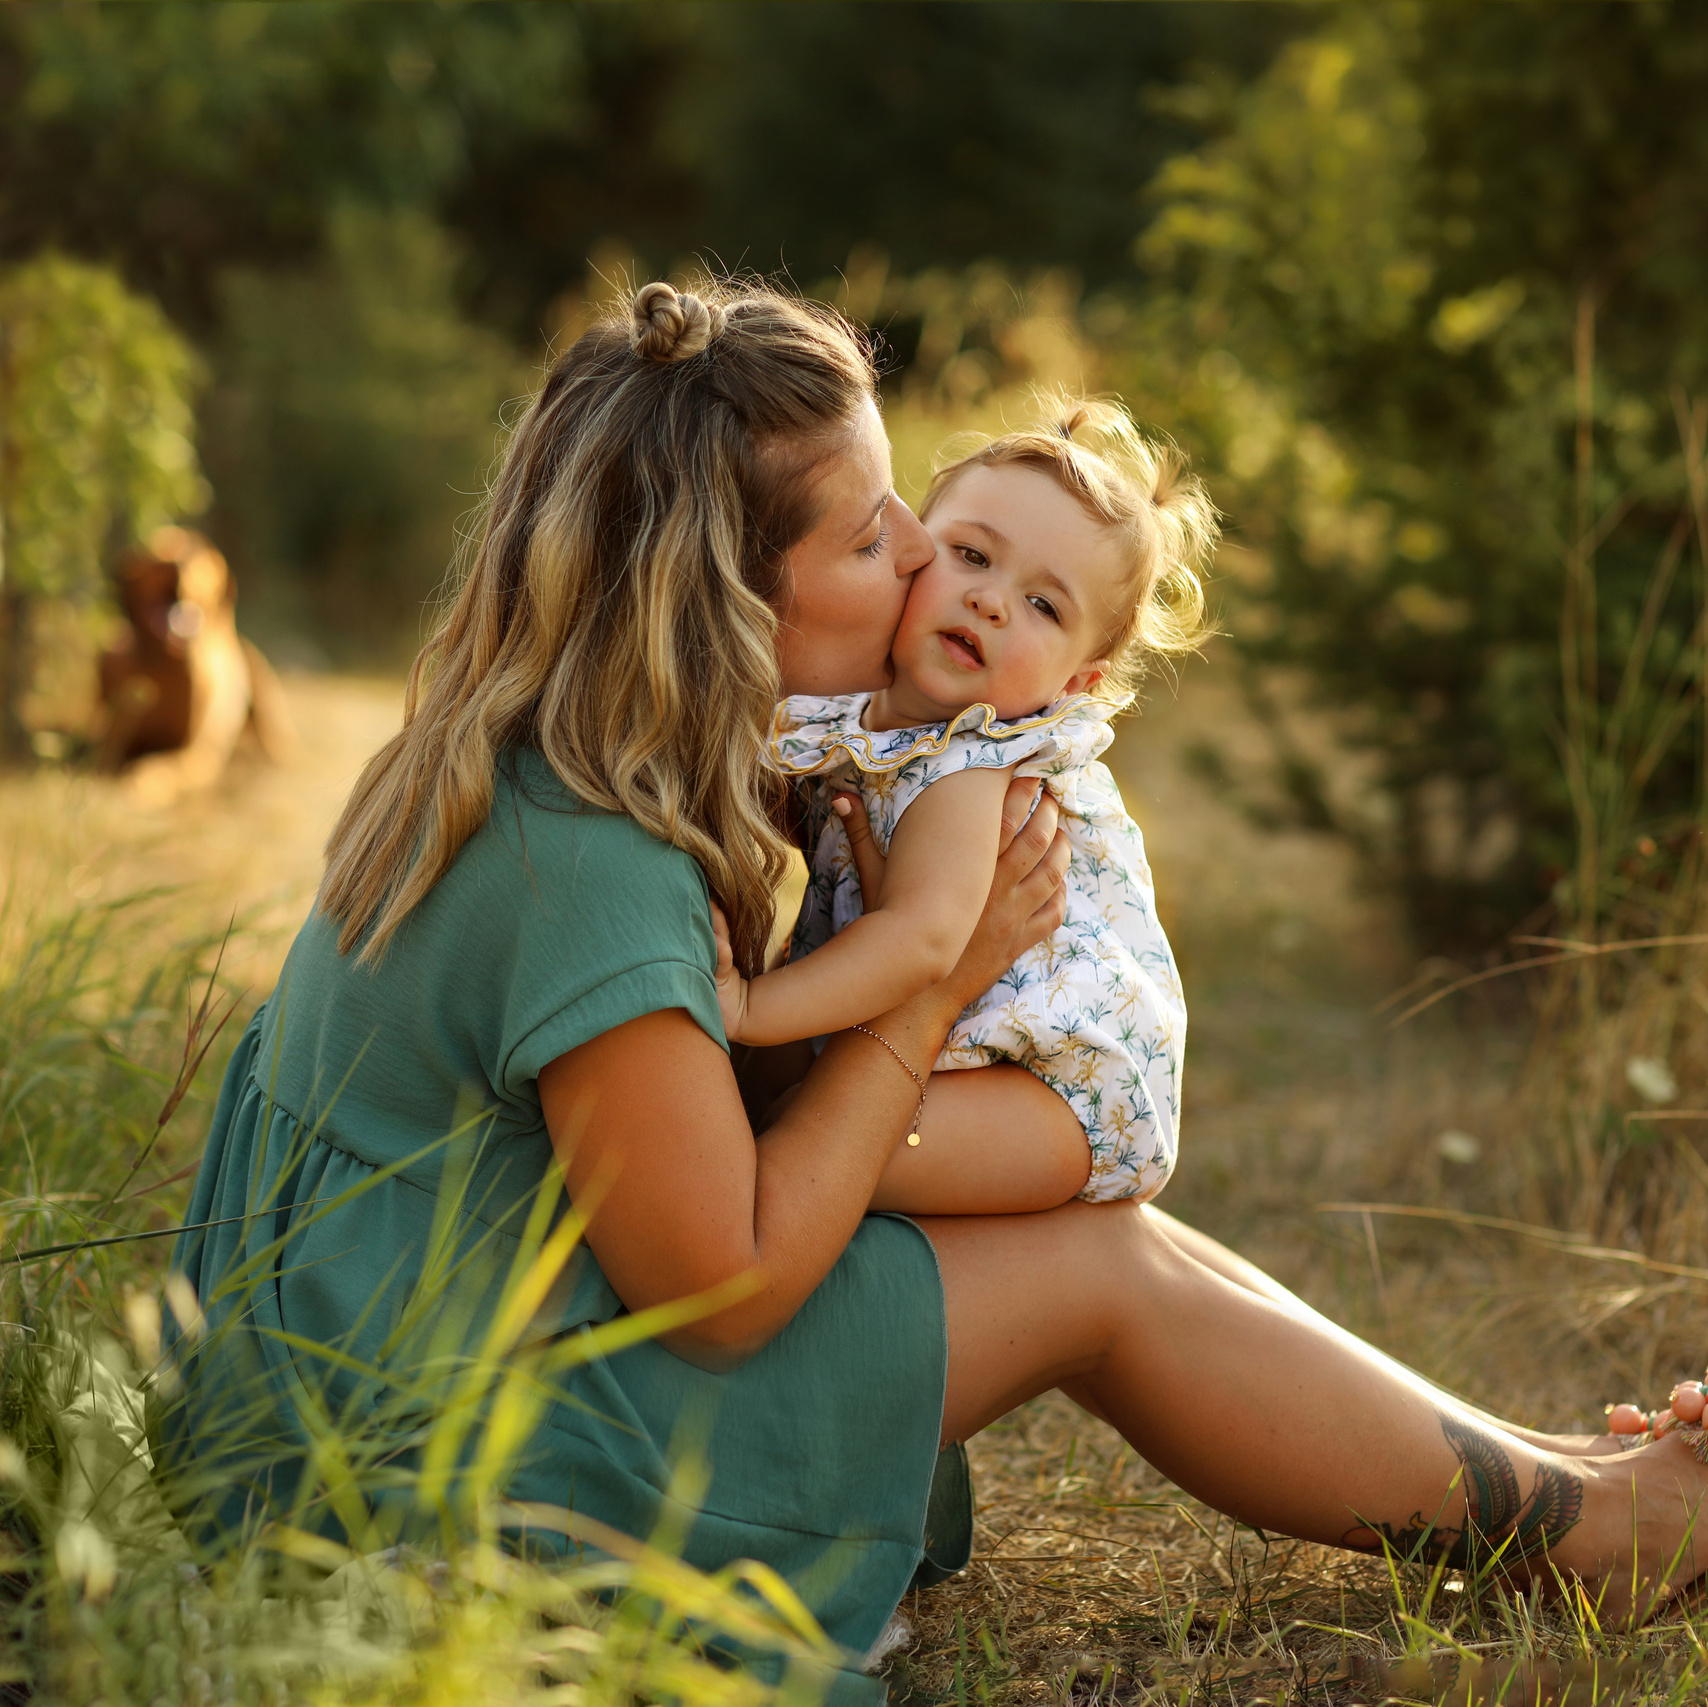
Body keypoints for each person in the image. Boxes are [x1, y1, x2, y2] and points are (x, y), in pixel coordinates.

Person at [167, 278, 1708, 1707]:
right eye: (864, 536)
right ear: (729, 604)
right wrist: (931, 991)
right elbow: (723, 1290)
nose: (917, 552)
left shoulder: (543, 739)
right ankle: (1592, 1532)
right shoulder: (593, 862)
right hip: (437, 1458)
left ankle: (1543, 1462)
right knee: (1098, 1277)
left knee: (1110, 1231)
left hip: (394, 1342)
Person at [720, 399, 1210, 1212]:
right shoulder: (858, 711)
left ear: (1076, 684)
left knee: (813, 1162)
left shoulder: (977, 760)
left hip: (1056, 1085)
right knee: (786, 1128)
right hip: (953, 1051)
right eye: (972, 555)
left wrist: (748, 1007)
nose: (991, 601)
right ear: (910, 551)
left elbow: (921, 939)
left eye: (1045, 606)